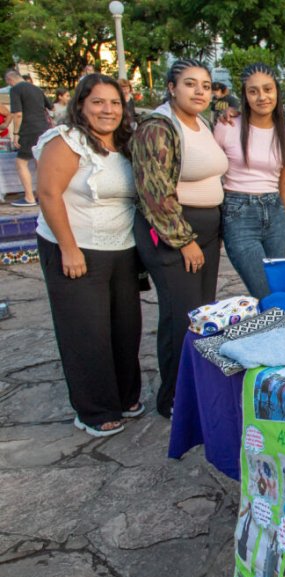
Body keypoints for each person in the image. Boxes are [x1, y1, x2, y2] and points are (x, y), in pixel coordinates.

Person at [33, 73, 142, 437]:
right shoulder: (67, 141)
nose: (107, 110)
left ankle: (125, 396)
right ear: (80, 104)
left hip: (121, 250)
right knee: (86, 333)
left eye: (114, 102)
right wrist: (68, 247)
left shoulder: (125, 143)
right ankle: (94, 410)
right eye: (98, 102)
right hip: (76, 248)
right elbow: (48, 193)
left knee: (125, 329)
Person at [131, 59, 228, 418]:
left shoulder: (202, 122)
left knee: (202, 314)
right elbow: (153, 191)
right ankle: (172, 399)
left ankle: (195, 389)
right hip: (174, 233)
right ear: (171, 87)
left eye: (205, 84)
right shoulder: (158, 125)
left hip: (205, 232)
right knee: (180, 317)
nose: (199, 91)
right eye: (190, 84)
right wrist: (183, 239)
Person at [214, 63, 285, 298]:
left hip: (276, 215)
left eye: (268, 89)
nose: (262, 97)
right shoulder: (227, 126)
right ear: (245, 95)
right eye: (253, 91)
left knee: (282, 292)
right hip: (239, 215)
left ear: (277, 92)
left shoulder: (284, 130)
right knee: (265, 294)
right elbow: (210, 171)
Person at [5, 69, 52, 207]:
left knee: (21, 163)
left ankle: (29, 197)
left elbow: (18, 114)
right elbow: (50, 107)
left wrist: (16, 134)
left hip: (29, 129)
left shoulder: (16, 90)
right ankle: (43, 194)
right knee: (40, 163)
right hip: (43, 129)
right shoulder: (36, 88)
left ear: (9, 80)